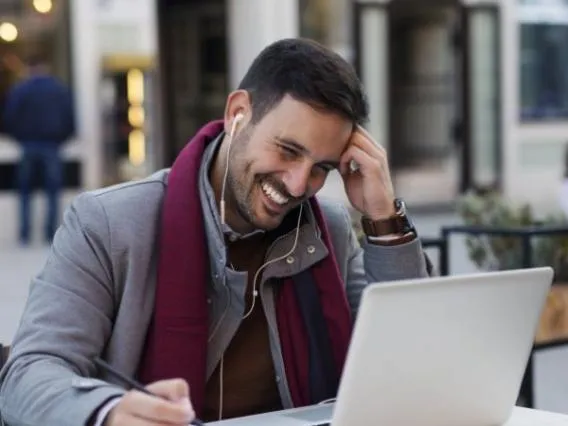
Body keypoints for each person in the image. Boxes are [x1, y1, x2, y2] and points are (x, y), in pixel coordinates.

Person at [0, 38, 430, 426]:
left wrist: (384, 218)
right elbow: (28, 374)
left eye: (322, 167)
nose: (299, 185)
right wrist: (107, 411)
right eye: (287, 150)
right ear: (237, 114)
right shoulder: (109, 224)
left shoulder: (328, 230)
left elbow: (406, 361)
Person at [2, 53, 75, 245]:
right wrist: (62, 138)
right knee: (53, 191)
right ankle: (50, 233)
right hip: (52, 144)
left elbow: (9, 117)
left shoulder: (21, 90)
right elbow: (70, 117)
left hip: (28, 144)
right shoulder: (59, 89)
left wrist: (19, 138)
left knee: (25, 191)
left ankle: (25, 234)